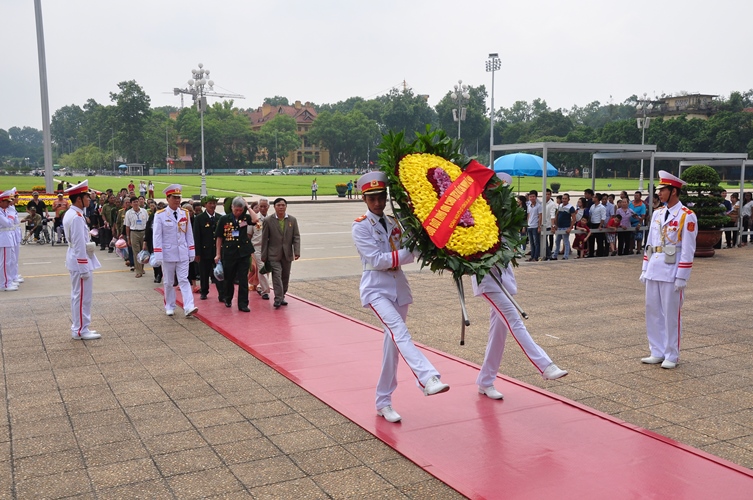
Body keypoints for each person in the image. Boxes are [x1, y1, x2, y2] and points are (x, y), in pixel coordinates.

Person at [351, 171, 449, 423]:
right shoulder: (361, 226)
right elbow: (377, 260)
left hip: (398, 287)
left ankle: (383, 401)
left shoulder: (395, 223)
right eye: (372, 198)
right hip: (376, 288)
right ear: (364, 199)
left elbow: (415, 248)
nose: (377, 203)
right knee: (399, 331)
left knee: (392, 348)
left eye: (381, 197)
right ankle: (427, 378)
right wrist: (410, 253)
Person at [473, 265, 568, 400]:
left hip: (503, 278)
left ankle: (485, 381)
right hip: (487, 280)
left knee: (497, 335)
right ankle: (545, 365)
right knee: (515, 322)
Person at [640, 171, 697, 370]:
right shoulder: (657, 213)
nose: (659, 193)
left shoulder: (686, 216)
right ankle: (657, 350)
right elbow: (649, 243)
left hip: (672, 271)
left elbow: (688, 249)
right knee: (652, 311)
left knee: (671, 314)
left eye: (662, 190)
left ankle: (672, 354)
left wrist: (682, 275)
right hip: (654, 267)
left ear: (674, 191)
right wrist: (645, 267)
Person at [61, 181, 101, 339]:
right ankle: (80, 330)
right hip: (79, 262)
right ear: (79, 199)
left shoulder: (73, 214)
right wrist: (84, 268)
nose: (89, 200)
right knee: (82, 296)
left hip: (76, 259)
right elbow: (79, 246)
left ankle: (82, 327)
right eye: (87, 197)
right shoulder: (76, 217)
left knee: (80, 295)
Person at [152, 184, 198, 318]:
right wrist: (158, 254)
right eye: (174, 197)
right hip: (168, 253)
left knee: (184, 279)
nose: (177, 200)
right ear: (168, 198)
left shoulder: (185, 213)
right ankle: (170, 305)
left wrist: (191, 251)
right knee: (168, 282)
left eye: (179, 197)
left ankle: (189, 306)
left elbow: (189, 234)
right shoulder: (160, 215)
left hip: (182, 252)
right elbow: (157, 236)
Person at [215, 197, 257, 312]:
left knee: (243, 279)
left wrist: (248, 207)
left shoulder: (245, 217)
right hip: (229, 253)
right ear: (232, 207)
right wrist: (218, 254)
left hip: (243, 253)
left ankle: (243, 304)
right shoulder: (224, 219)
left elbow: (255, 219)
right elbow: (219, 237)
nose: (238, 212)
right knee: (229, 278)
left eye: (240, 210)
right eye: (236, 210)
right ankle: (228, 298)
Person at [261, 198, 301, 309]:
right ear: (274, 207)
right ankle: (278, 298)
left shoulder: (292, 220)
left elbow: (296, 237)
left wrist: (296, 251)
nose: (281, 207)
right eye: (278, 205)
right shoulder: (268, 220)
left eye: (283, 205)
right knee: (277, 276)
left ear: (286, 206)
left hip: (287, 253)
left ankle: (282, 295)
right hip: (273, 254)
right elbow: (264, 239)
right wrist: (264, 255)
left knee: (285, 276)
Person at [194, 195, 224, 302]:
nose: (212, 205)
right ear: (205, 205)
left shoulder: (220, 218)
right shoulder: (199, 218)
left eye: (214, 203)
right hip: (204, 250)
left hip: (217, 251)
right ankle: (204, 291)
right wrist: (197, 253)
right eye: (210, 203)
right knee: (204, 273)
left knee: (219, 273)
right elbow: (196, 237)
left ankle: (222, 294)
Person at [250, 198, 270, 299]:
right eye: (260, 206)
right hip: (257, 247)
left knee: (267, 268)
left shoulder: (271, 219)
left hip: (269, 247)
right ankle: (265, 290)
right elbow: (249, 234)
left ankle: (260, 286)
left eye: (264, 206)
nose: (262, 208)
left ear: (268, 207)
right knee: (262, 267)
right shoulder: (254, 218)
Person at [0, 190, 19, 291]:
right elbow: (8, 223)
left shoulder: (4, 211)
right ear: (1, 202)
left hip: (7, 237)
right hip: (3, 238)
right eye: (6, 202)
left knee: (8, 261)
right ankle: (4, 284)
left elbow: (12, 222)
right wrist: (11, 216)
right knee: (4, 263)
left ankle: (8, 281)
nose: (8, 204)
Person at [125, 197, 148, 278]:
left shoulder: (144, 211)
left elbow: (147, 224)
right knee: (136, 252)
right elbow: (127, 226)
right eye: (134, 202)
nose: (136, 203)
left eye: (137, 201)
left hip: (143, 232)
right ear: (131, 204)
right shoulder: (128, 213)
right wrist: (128, 237)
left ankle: (141, 268)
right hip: (134, 232)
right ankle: (138, 271)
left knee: (143, 251)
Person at [552, 193, 575, 260]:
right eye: (563, 198)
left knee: (566, 242)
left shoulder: (570, 207)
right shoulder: (560, 206)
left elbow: (574, 218)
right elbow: (557, 215)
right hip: (559, 227)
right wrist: (555, 224)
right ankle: (555, 255)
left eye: (565, 199)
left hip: (565, 226)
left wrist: (570, 227)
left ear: (568, 199)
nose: (564, 200)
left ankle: (566, 256)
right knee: (557, 241)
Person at [526, 190, 543, 262]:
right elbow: (528, 215)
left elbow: (540, 216)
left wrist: (539, 226)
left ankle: (535, 257)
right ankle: (532, 256)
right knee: (531, 242)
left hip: (535, 226)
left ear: (536, 197)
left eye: (533, 196)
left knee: (536, 242)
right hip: (529, 226)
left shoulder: (539, 206)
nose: (532, 198)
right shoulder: (529, 206)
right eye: (530, 197)